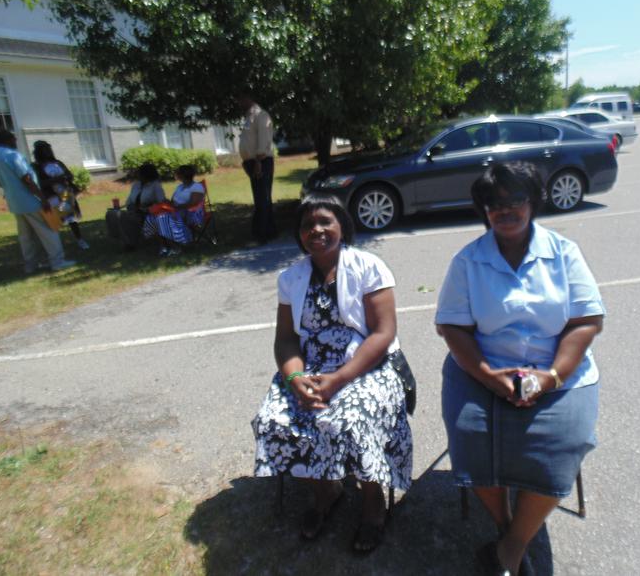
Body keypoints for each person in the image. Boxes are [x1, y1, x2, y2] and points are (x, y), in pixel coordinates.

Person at [435, 164, 605, 575]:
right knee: (470, 435)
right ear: (484, 210)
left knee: (566, 441)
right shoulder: (468, 261)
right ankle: (505, 522)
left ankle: (511, 545)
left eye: (516, 200)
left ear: (533, 202)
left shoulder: (564, 253)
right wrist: (488, 377)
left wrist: (552, 377)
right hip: (483, 368)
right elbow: (452, 328)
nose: (506, 210)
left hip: (559, 372)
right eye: (495, 203)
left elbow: (586, 321)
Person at [252, 195, 412, 553]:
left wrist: (339, 379)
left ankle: (373, 502)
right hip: (310, 369)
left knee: (352, 418)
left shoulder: (368, 267)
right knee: (273, 419)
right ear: (299, 234)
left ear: (342, 225)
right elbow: (286, 340)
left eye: (325, 221)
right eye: (307, 225)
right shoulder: (290, 278)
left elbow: (383, 333)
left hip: (367, 366)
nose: (316, 230)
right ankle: (326, 490)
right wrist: (295, 380)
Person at [0, 130, 75, 273]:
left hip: (14, 201)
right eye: (14, 139)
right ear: (7, 140)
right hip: (31, 200)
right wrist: (42, 198)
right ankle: (57, 261)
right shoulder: (13, 155)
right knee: (48, 230)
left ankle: (30, 265)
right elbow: (27, 179)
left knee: (26, 235)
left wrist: (8, 186)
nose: (16, 142)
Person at [31, 140, 89, 250]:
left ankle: (80, 240)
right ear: (39, 152)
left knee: (71, 218)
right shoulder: (36, 166)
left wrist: (67, 178)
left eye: (49, 149)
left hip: (65, 193)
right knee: (54, 220)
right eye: (45, 150)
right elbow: (38, 183)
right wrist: (56, 180)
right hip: (50, 195)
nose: (48, 151)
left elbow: (69, 175)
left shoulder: (57, 162)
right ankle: (55, 245)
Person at [237, 93, 277, 243]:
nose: (238, 103)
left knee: (262, 198)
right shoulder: (249, 117)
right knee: (261, 197)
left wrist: (259, 162)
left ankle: (261, 234)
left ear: (248, 98)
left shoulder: (261, 115)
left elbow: (264, 140)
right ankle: (270, 231)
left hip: (261, 161)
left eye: (240, 99)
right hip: (252, 162)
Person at [142, 164, 205, 256]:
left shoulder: (197, 186)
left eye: (177, 173)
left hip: (190, 212)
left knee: (162, 218)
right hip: (175, 210)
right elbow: (173, 202)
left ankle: (175, 247)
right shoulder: (180, 187)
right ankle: (165, 246)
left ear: (182, 175)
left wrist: (176, 208)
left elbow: (193, 203)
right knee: (152, 218)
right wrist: (166, 203)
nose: (176, 174)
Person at [105, 162, 166, 250]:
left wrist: (146, 208)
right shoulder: (136, 185)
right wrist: (120, 207)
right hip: (133, 211)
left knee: (120, 216)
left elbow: (161, 202)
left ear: (146, 174)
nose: (137, 175)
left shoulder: (155, 186)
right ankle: (122, 238)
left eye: (140, 173)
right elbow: (130, 200)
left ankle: (130, 243)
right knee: (111, 213)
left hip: (146, 213)